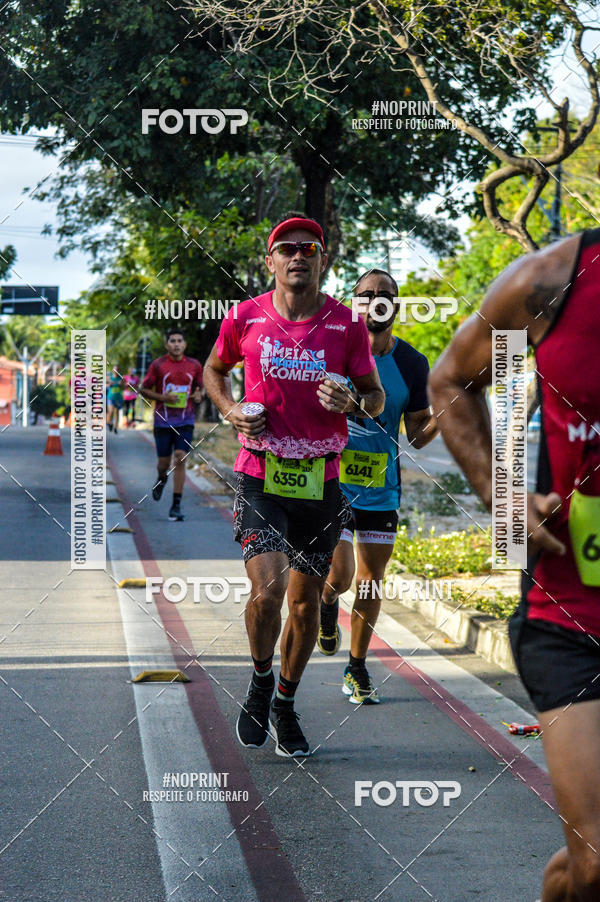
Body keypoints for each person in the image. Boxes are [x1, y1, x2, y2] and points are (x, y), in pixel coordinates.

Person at [428, 227, 600, 902]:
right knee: (595, 866)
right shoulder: (551, 280)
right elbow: (450, 380)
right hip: (571, 612)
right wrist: (501, 494)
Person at [204, 214, 384, 757]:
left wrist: (352, 402)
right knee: (268, 593)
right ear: (271, 261)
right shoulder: (246, 316)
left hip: (321, 482)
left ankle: (284, 701)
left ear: (323, 260)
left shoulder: (347, 325)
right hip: (260, 473)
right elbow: (214, 369)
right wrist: (231, 409)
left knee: (306, 607)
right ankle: (260, 683)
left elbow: (374, 397)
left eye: (310, 247)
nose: (298, 255)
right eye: (287, 248)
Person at [318, 269, 438, 704]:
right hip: (332, 482)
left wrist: (443, 418)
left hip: (382, 488)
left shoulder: (412, 363)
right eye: (366, 295)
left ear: (396, 306)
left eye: (384, 295)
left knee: (371, 583)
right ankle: (327, 604)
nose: (375, 301)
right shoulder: (332, 353)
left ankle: (357, 668)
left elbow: (418, 433)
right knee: (342, 577)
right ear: (355, 305)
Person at [140, 328, 204, 522]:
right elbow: (144, 389)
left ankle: (176, 505)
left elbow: (200, 388)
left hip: (185, 421)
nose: (176, 344)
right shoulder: (158, 365)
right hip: (162, 421)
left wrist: (200, 394)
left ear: (185, 345)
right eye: (173, 341)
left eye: (179, 341)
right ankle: (161, 477)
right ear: (167, 345)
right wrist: (163, 397)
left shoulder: (194, 365)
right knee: (163, 464)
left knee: (180, 458)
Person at [106, 367, 124, 433]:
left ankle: (115, 427)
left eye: (117, 370)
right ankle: (110, 423)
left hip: (118, 398)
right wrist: (109, 384)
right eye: (115, 370)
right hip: (110, 397)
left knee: (116, 412)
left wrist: (121, 384)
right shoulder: (109, 377)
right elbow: (106, 385)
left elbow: (124, 387)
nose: (116, 371)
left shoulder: (121, 378)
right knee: (110, 411)